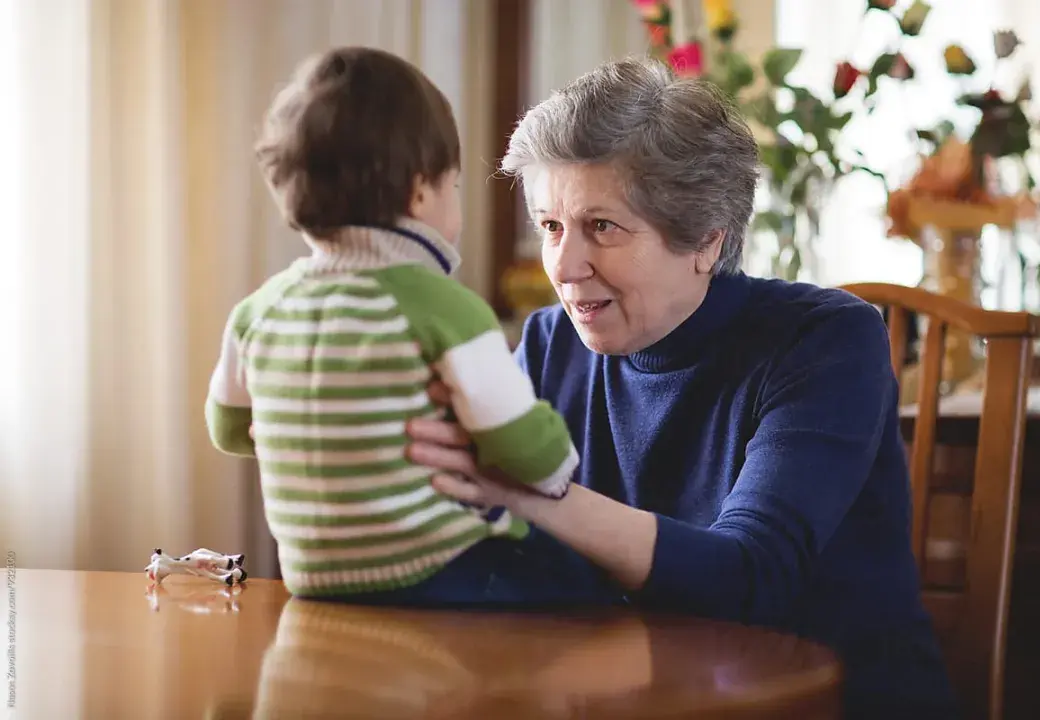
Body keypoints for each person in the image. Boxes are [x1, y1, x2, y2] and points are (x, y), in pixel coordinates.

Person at [403, 57, 958, 718]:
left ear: (704, 239)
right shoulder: (551, 343)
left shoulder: (828, 342)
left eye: (601, 227)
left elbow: (749, 578)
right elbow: (493, 550)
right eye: (551, 227)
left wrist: (531, 492)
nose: (565, 265)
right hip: (625, 697)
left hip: (826, 704)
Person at [204, 46, 598, 606]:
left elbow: (228, 430)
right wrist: (559, 470)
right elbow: (517, 438)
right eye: (454, 187)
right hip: (443, 571)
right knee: (579, 582)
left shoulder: (257, 312)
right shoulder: (442, 307)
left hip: (313, 579)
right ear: (420, 191)